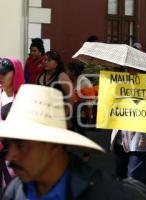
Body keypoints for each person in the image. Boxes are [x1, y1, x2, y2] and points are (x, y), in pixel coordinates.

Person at [1, 84, 129, 200]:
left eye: (21, 145)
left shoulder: (105, 193)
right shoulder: (14, 191)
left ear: (53, 145)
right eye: (9, 144)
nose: (10, 156)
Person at [110, 67, 146, 184]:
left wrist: (143, 137)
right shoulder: (120, 84)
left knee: (134, 180)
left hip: (139, 141)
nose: (129, 71)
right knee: (120, 179)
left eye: (132, 69)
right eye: (127, 69)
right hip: (120, 140)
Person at [0, 57, 24, 197]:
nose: (0, 77)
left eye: (4, 73)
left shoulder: (24, 96)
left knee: (11, 190)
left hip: (13, 154)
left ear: (16, 74)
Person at [37, 51, 74, 122]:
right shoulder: (40, 76)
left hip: (58, 114)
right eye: (44, 60)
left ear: (56, 63)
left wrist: (66, 112)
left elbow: (71, 97)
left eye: (49, 60)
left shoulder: (62, 77)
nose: (45, 62)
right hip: (43, 114)